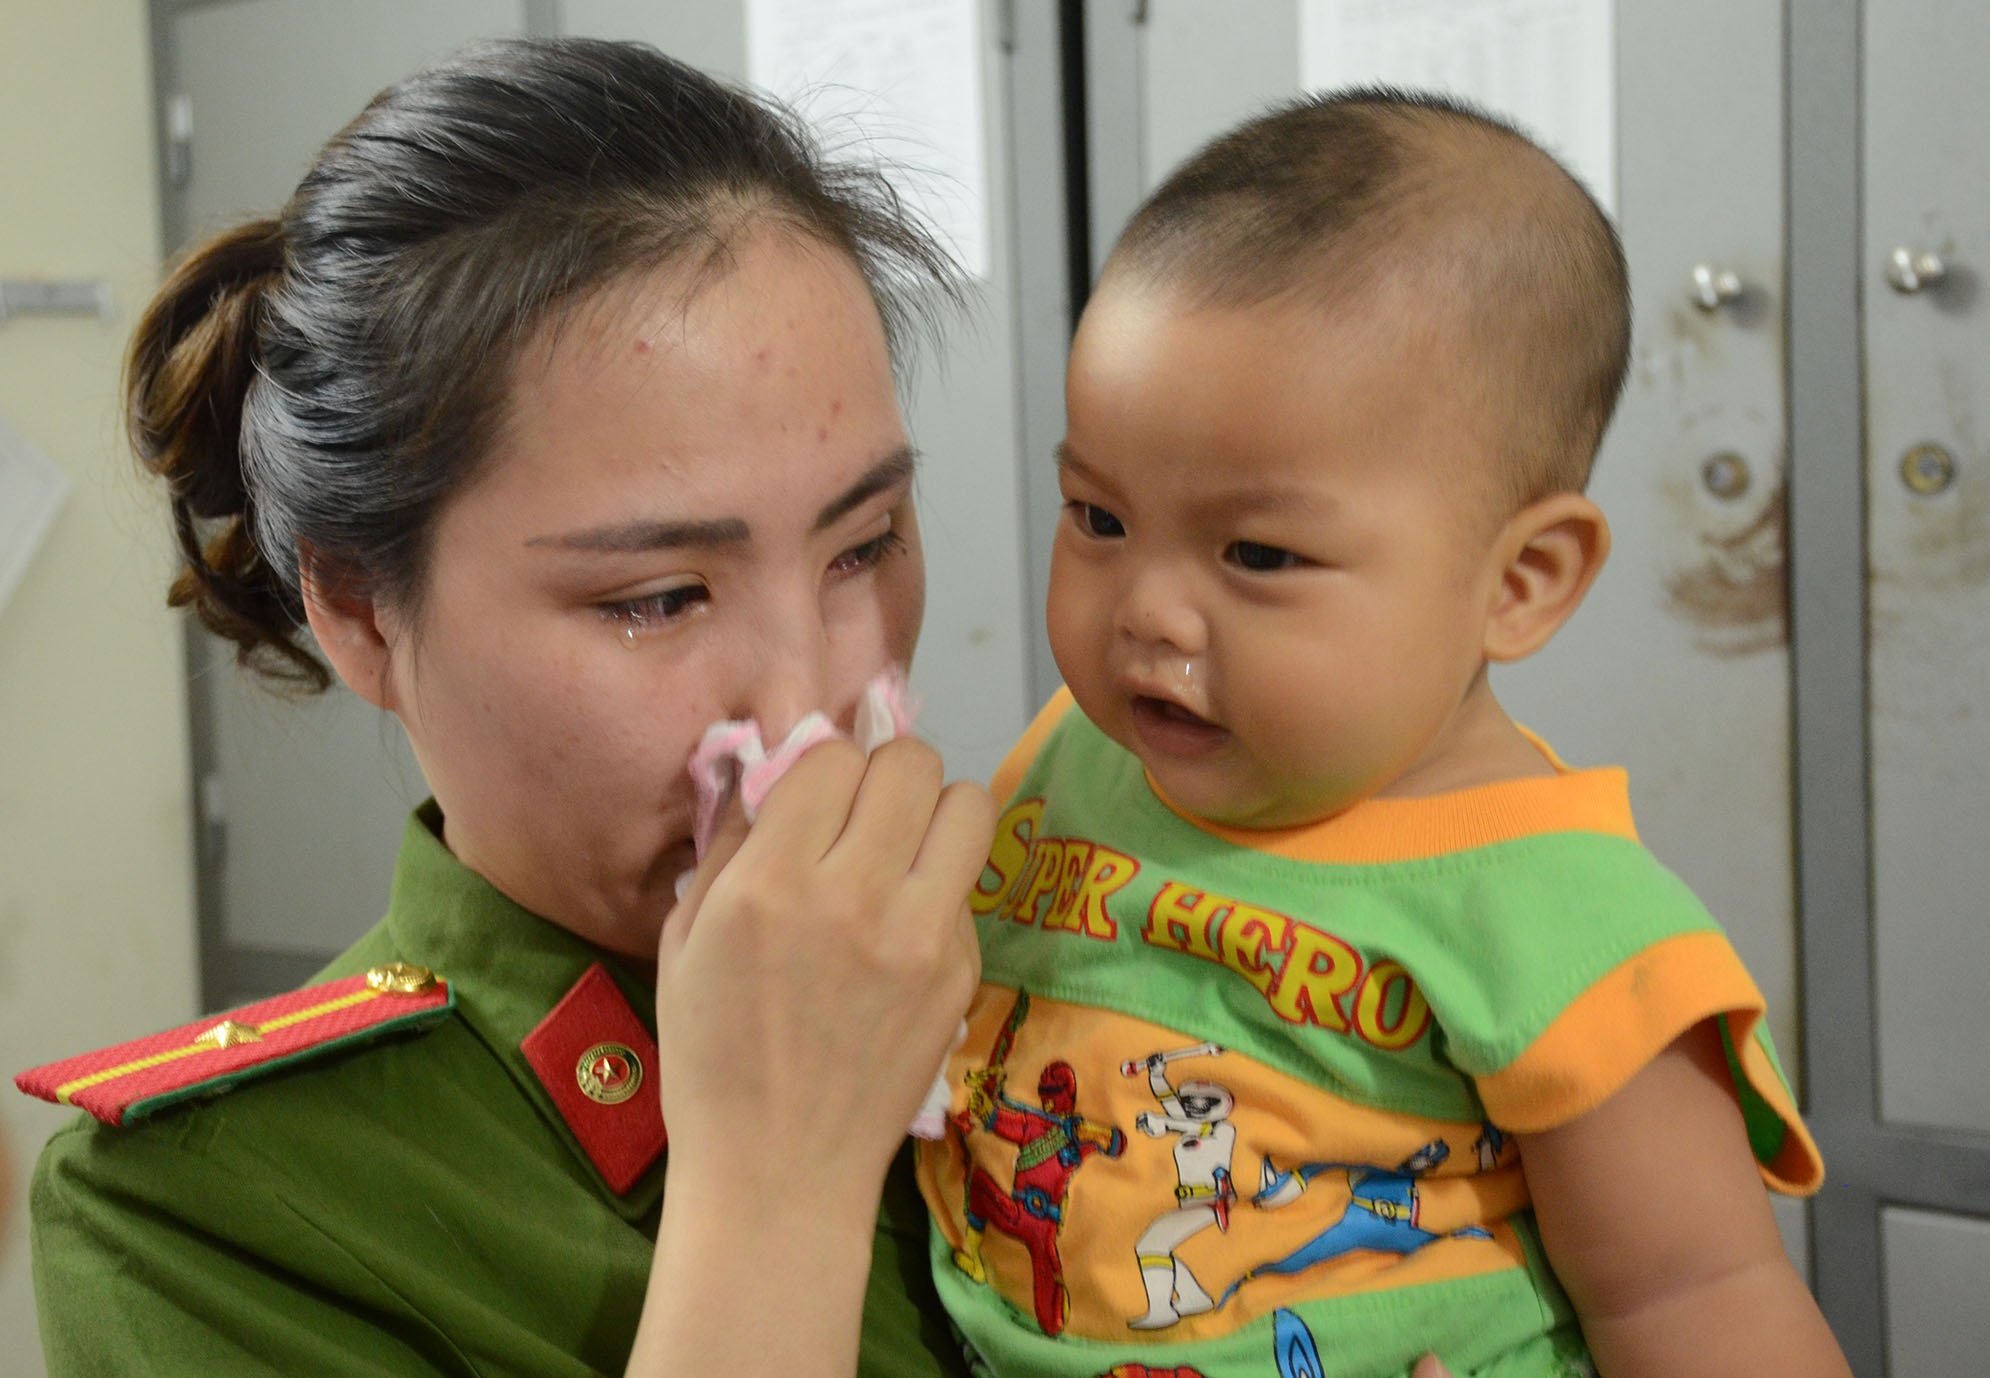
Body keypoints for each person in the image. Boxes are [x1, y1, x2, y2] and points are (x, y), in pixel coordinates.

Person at [19, 37, 998, 1378]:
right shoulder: (198, 1213)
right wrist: (779, 1189)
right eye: (657, 598)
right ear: (362, 612)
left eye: (865, 542)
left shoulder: (1082, 966)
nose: (809, 704)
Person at [917, 90, 1852, 1378]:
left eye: (1258, 554)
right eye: (1099, 518)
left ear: (1519, 583)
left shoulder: (1566, 928)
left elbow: (1701, 1301)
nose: (1145, 612)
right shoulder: (1075, 759)